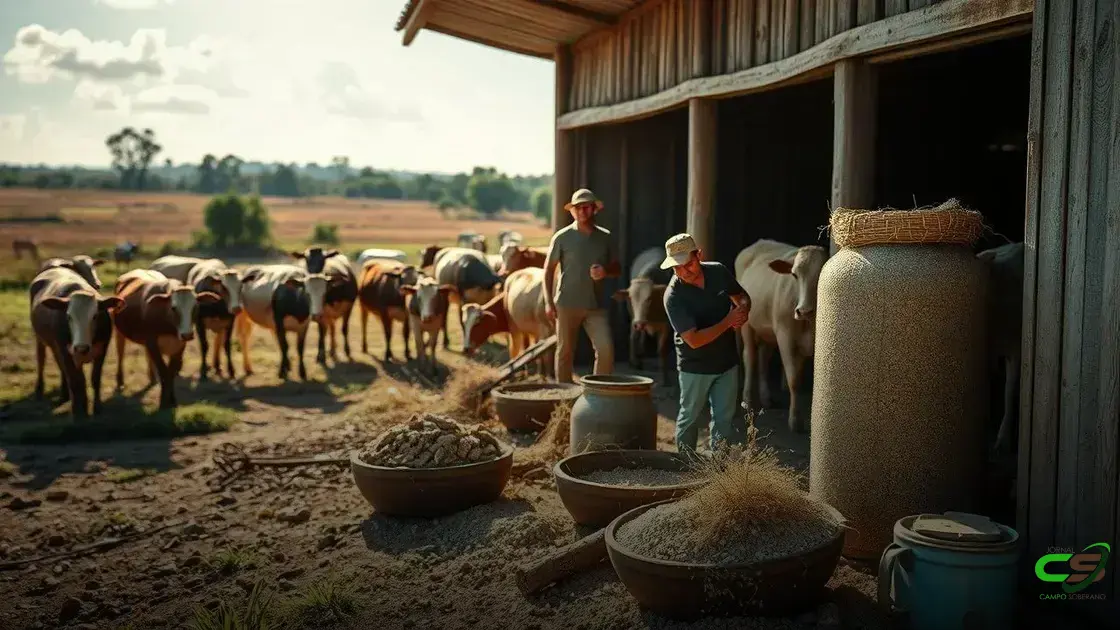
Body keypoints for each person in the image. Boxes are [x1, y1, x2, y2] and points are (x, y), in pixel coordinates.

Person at [660, 233, 752, 457]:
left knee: (724, 418)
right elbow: (694, 340)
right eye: (676, 268)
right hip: (695, 366)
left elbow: (741, 296)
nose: (684, 271)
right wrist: (729, 321)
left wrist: (742, 310)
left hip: (727, 361)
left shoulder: (718, 271)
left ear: (699, 255)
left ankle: (718, 467)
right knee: (690, 416)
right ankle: (685, 466)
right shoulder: (673, 297)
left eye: (689, 264)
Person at [543, 188, 621, 383]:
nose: (582, 212)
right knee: (565, 352)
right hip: (567, 303)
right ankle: (564, 397)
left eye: (586, 207)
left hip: (596, 305)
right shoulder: (562, 237)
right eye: (577, 208)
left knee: (605, 350)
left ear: (594, 209)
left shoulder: (605, 237)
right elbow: (548, 270)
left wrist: (605, 271)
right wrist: (548, 302)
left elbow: (617, 268)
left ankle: (599, 395)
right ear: (572, 211)